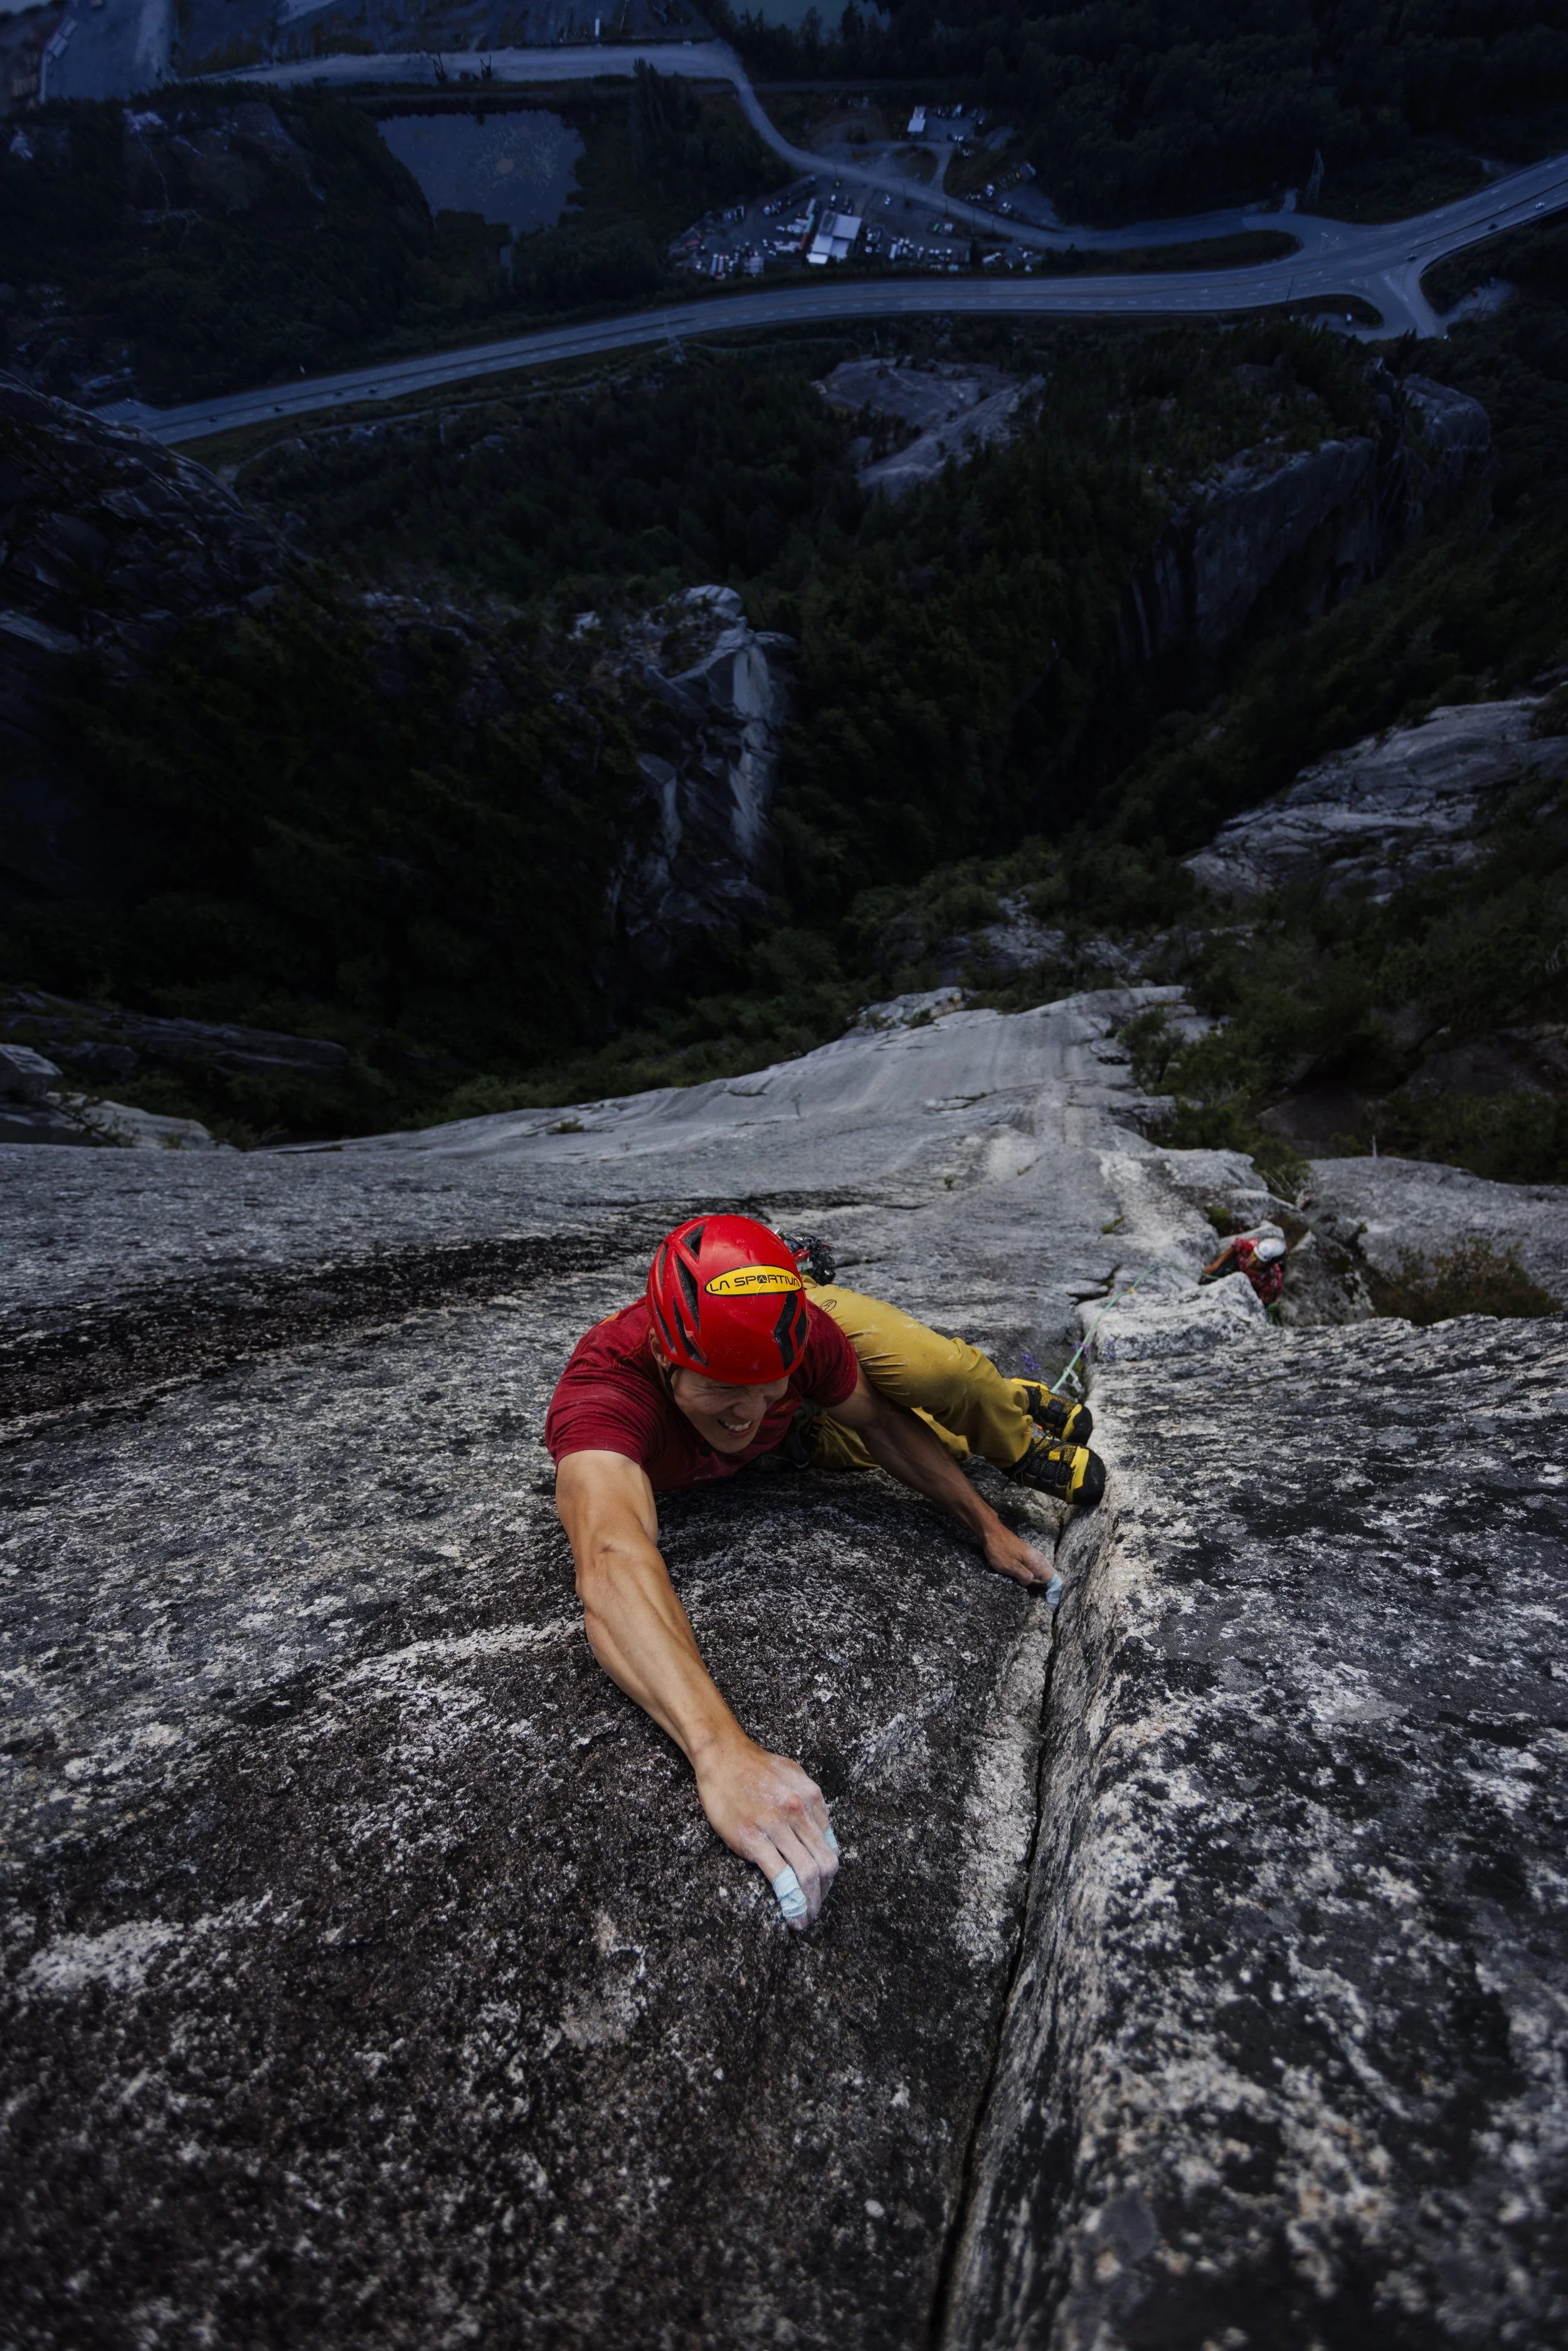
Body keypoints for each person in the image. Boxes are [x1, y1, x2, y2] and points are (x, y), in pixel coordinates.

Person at [546, 1213, 1106, 1932]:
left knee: (937, 1373)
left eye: (765, 1385)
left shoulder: (801, 1338)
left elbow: (877, 1419)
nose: (747, 1409)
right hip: (801, 1436)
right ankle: (1009, 1400)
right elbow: (612, 1559)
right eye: (722, 1387)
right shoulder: (604, 1390)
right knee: (833, 1434)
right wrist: (722, 1752)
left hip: (806, 1384)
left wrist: (986, 1526)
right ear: (664, 1353)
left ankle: (1007, 1412)